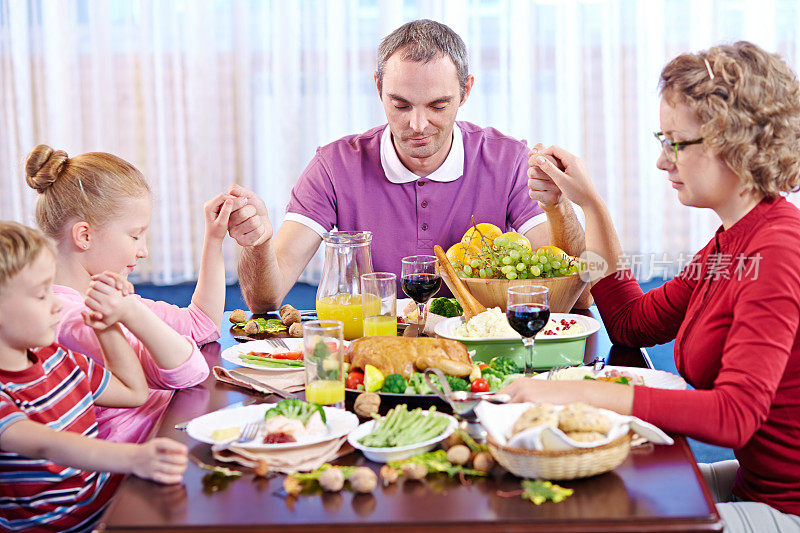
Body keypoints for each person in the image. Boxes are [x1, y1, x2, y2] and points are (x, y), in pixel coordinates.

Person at [504, 41, 800, 532]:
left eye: (676, 143)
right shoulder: (730, 244)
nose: (663, 162)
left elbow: (734, 416)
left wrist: (585, 394)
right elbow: (630, 322)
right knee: (587, 498)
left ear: (735, 141)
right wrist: (588, 205)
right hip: (758, 485)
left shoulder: (777, 250)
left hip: (789, 506)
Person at [228, 19, 586, 312]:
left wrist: (559, 206)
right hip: (371, 349)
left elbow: (573, 295)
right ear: (378, 87)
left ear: (466, 91)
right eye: (400, 105)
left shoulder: (508, 161)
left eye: (437, 106)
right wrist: (257, 244)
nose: (417, 125)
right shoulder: (335, 166)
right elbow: (266, 298)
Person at [24, 144, 238, 443]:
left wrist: (214, 238)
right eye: (135, 235)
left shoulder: (104, 297)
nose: (143, 250)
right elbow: (189, 371)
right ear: (84, 236)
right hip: (135, 470)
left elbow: (201, 325)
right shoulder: (73, 320)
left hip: (165, 431)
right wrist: (132, 312)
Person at [0, 221, 188, 532]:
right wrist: (135, 458)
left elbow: (133, 392)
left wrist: (107, 327)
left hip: (107, 510)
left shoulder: (59, 359)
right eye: (40, 294)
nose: (57, 303)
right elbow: (47, 445)